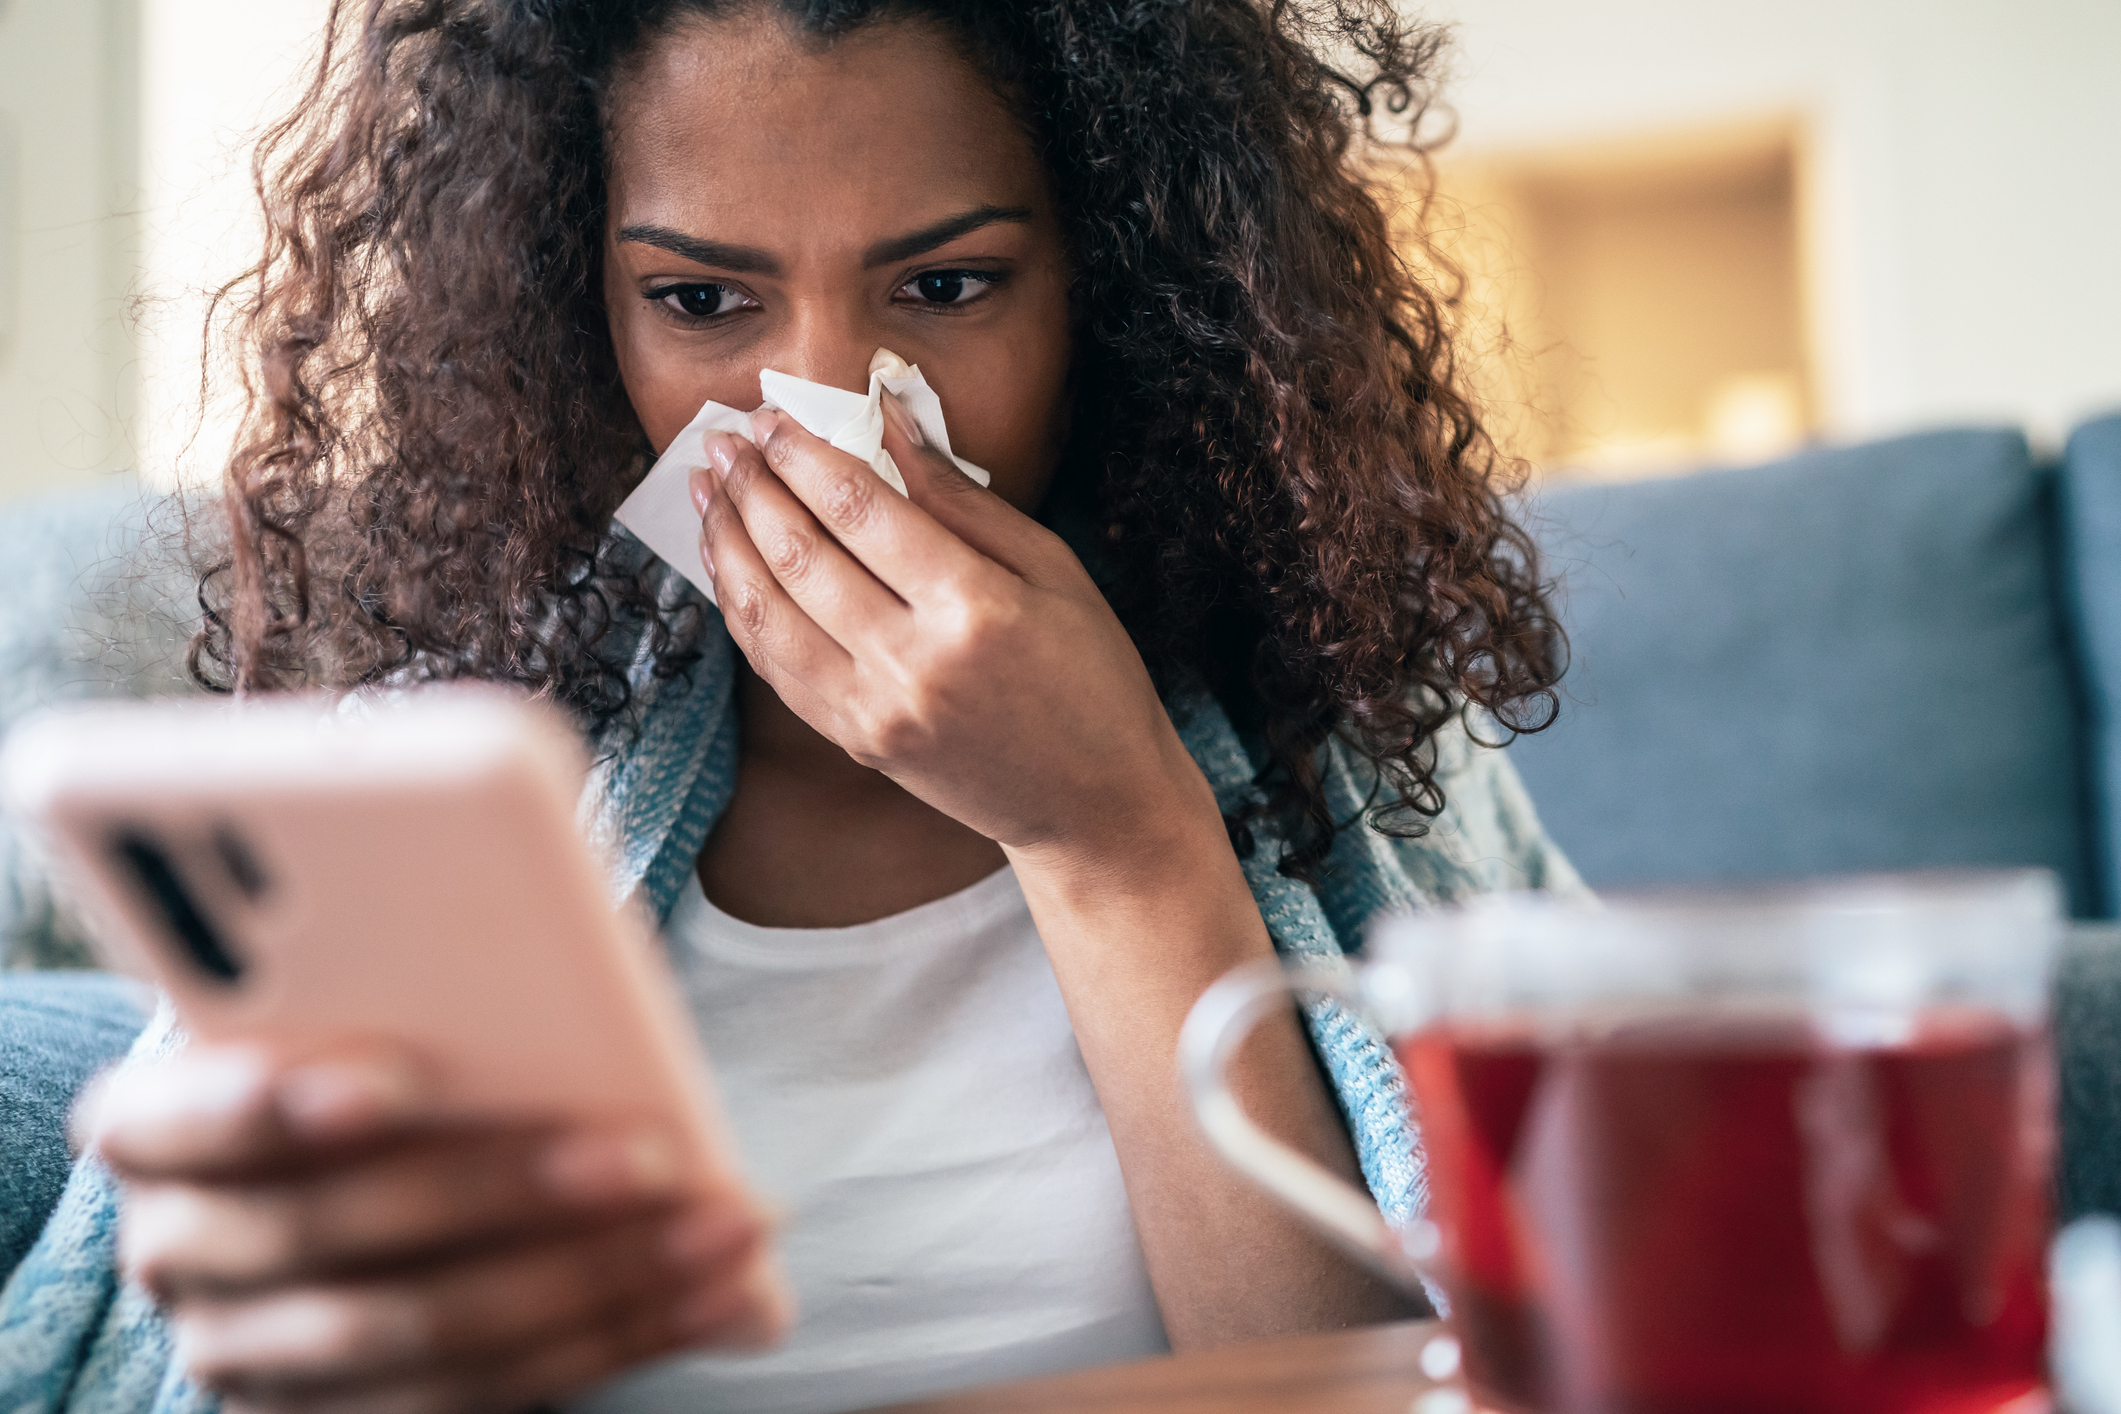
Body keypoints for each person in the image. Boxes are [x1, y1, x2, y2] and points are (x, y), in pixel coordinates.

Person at [0, 2, 1582, 1411]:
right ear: (577, 310)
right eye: (702, 303)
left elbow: (1428, 1369)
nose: (830, 414)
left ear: (1114, 289)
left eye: (948, 283)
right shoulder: (448, 779)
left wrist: (1116, 834)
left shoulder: (1355, 734)